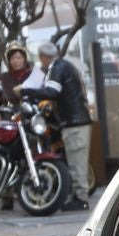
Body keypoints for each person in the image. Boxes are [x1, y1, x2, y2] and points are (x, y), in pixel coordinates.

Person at [36, 42, 94, 211]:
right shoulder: (64, 65)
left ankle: (81, 199)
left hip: (75, 123)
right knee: (76, 161)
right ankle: (78, 196)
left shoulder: (58, 67)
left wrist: (26, 92)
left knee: (77, 163)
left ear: (43, 57)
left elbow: (52, 92)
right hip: (76, 121)